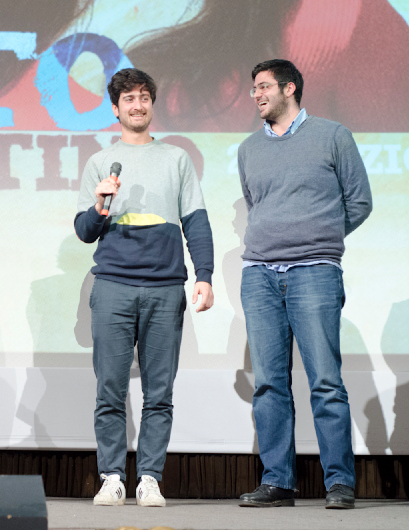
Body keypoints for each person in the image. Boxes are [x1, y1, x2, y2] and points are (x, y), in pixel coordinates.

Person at [75, 68, 214, 507]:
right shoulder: (100, 163)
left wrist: (205, 275)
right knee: (109, 390)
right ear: (115, 109)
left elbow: (196, 222)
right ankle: (112, 476)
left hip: (165, 288)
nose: (137, 105)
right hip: (113, 286)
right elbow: (84, 231)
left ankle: (150, 477)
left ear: (152, 104)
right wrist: (100, 206)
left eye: (144, 97)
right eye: (129, 99)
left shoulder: (176, 158)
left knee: (160, 393)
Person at [237, 59, 372, 510]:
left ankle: (339, 483)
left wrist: (321, 235)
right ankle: (278, 482)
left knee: (326, 382)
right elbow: (258, 205)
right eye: (254, 89)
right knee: (268, 385)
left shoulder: (333, 136)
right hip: (259, 275)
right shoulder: (248, 149)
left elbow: (359, 201)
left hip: (314, 271)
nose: (256, 95)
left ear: (289, 88)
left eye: (263, 87)